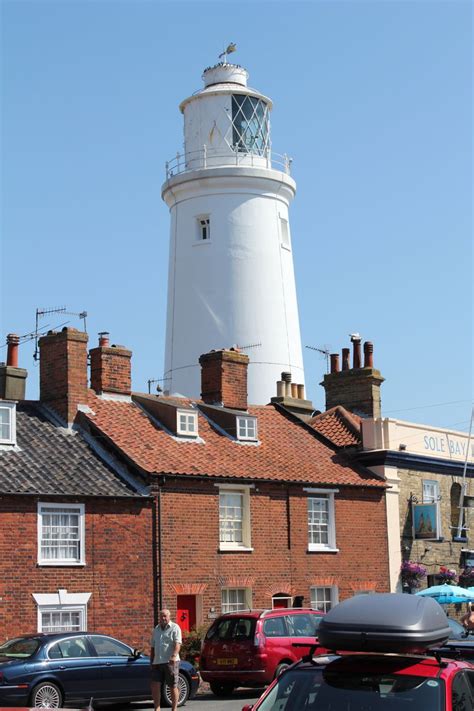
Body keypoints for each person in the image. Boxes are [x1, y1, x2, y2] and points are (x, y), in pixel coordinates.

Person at [150, 608, 182, 711]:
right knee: (155, 685)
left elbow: (178, 644)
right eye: (161, 616)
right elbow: (153, 647)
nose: (163, 618)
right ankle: (157, 708)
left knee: (172, 686)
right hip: (157, 662)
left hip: (170, 662)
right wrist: (152, 661)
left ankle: (174, 708)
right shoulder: (156, 629)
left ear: (169, 616)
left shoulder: (175, 627)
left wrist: (174, 655)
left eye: (165, 616)